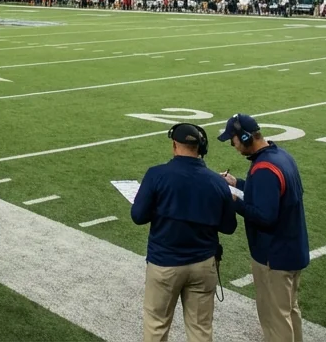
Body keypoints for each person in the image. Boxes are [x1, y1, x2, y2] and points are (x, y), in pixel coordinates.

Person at [129, 123, 236, 342]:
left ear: (174, 145)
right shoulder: (217, 182)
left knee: (156, 326)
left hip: (165, 263)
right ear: (201, 148)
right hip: (203, 264)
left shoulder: (157, 174)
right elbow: (229, 227)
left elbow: (138, 216)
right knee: (200, 330)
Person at [219, 114, 309, 342]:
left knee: (275, 320)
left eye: (233, 140)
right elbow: (269, 192)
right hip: (292, 249)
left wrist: (232, 200)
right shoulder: (281, 157)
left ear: (245, 137)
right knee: (289, 311)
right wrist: (238, 183)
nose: (233, 146)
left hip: (273, 257)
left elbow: (265, 216)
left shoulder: (264, 168)